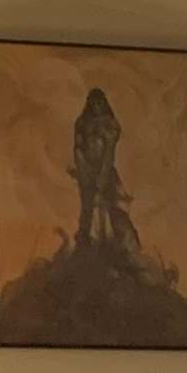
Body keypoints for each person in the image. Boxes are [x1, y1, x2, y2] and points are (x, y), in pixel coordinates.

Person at [69, 86, 141, 259]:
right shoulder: (82, 122)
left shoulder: (110, 123)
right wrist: (83, 170)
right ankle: (83, 247)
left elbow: (109, 152)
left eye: (99, 102)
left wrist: (102, 177)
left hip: (106, 171)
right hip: (87, 172)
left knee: (113, 207)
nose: (96, 106)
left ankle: (126, 248)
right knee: (87, 209)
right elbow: (78, 148)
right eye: (93, 102)